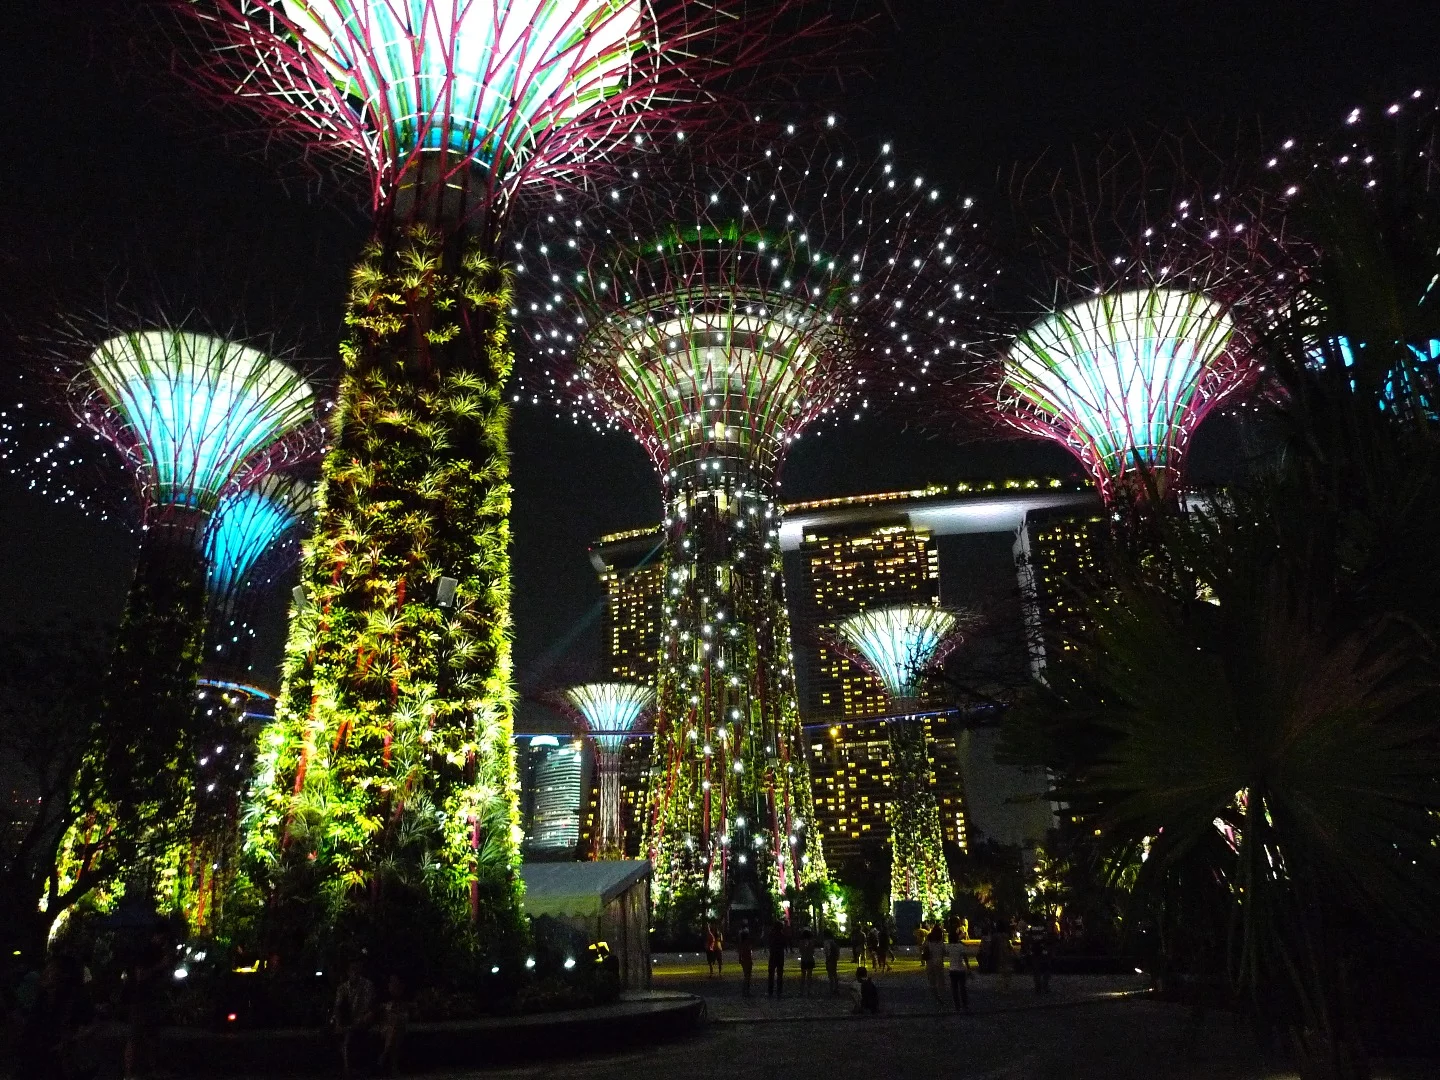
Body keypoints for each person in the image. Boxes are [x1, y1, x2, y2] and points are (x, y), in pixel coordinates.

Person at [15, 954, 92, 1080]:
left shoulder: (73, 1001)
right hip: (38, 1060)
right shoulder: (43, 999)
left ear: (63, 974)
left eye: (52, 968)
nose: (46, 972)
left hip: (55, 1063)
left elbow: (81, 1029)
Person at [124, 928, 170, 1080]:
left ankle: (151, 1070)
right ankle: (130, 1073)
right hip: (142, 1000)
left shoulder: (156, 951)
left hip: (151, 999)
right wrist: (161, 966)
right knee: (136, 1036)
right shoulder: (147, 951)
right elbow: (140, 975)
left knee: (151, 1036)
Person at [333, 960, 376, 1080]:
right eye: (352, 970)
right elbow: (338, 1007)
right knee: (341, 1035)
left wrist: (358, 1020)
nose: (355, 973)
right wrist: (338, 1022)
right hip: (347, 1021)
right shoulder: (342, 988)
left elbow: (368, 1007)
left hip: (361, 1020)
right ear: (348, 972)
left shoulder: (367, 985)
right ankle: (346, 1068)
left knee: (349, 1035)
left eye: (357, 969)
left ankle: (348, 1069)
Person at [377, 973, 409, 1077]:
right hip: (386, 1028)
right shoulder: (384, 999)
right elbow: (382, 1015)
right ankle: (394, 1067)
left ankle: (385, 1054)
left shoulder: (403, 998)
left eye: (396, 982)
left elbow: (405, 1014)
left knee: (396, 1027)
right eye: (391, 982)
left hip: (396, 1028)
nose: (393, 984)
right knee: (395, 1029)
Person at [923, 925, 947, 1005]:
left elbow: (923, 948)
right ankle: (942, 997)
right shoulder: (941, 942)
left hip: (930, 963)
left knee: (932, 982)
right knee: (940, 981)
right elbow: (944, 952)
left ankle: (936, 997)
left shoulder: (928, 941)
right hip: (939, 963)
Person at [948, 930, 971, 1012]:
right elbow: (965, 957)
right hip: (961, 969)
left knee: (954, 989)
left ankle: (957, 1006)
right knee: (963, 988)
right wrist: (968, 968)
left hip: (952, 969)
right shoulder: (960, 946)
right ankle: (965, 1005)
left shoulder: (949, 947)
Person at [766, 921, 788, 998]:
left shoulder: (771, 935)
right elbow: (785, 945)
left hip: (773, 956)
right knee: (780, 974)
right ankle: (779, 991)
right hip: (780, 956)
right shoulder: (782, 935)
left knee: (771, 974)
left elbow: (769, 944)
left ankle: (770, 991)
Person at [797, 929, 816, 996]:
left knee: (803, 975)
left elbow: (800, 951)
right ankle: (809, 990)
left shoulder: (801, 942)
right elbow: (812, 951)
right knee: (809, 975)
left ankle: (801, 990)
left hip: (804, 959)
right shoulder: (811, 942)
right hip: (810, 959)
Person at [737, 927, 754, 998]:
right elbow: (749, 951)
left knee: (746, 976)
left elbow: (740, 952)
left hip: (744, 960)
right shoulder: (747, 943)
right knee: (747, 976)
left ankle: (745, 991)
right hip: (747, 960)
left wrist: (740, 960)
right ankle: (746, 991)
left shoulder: (741, 943)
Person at [824, 929, 841, 995]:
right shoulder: (834, 942)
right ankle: (836, 988)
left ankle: (831, 989)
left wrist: (827, 959)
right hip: (834, 959)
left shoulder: (826, 942)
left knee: (830, 975)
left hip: (830, 959)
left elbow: (827, 952)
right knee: (834, 974)